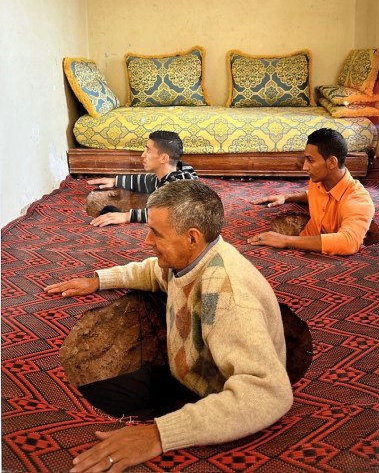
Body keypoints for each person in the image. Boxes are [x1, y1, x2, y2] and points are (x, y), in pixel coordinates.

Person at [45, 180, 293, 472]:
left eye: (156, 233)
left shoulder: (228, 297)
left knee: (96, 445)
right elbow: (153, 270)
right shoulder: (190, 258)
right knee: (91, 399)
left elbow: (270, 392)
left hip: (218, 399)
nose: (148, 241)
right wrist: (99, 280)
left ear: (192, 237)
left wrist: (160, 435)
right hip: (188, 376)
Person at [248, 128, 375, 255]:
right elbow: (315, 196)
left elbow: (349, 242)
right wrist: (286, 197)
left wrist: (285, 240)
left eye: (311, 160)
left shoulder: (358, 200)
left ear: (332, 162)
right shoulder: (318, 181)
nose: (305, 167)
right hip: (301, 246)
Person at [87, 130, 197, 227]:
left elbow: (165, 213)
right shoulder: (173, 171)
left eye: (148, 150)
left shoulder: (178, 186)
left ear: (164, 158)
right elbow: (147, 181)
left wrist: (126, 216)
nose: (143, 155)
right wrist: (116, 181)